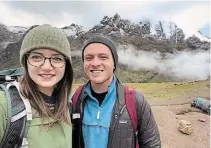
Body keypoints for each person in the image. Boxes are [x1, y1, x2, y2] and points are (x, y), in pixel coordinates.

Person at [72, 35, 161, 148]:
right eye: (89, 58)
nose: (95, 63)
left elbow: (152, 144)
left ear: (114, 63)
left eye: (103, 57)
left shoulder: (135, 100)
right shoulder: (75, 99)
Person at [0, 24, 73, 148]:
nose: (46, 67)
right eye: (36, 57)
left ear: (66, 65)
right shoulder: (5, 105)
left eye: (56, 58)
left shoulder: (68, 105)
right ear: (26, 62)